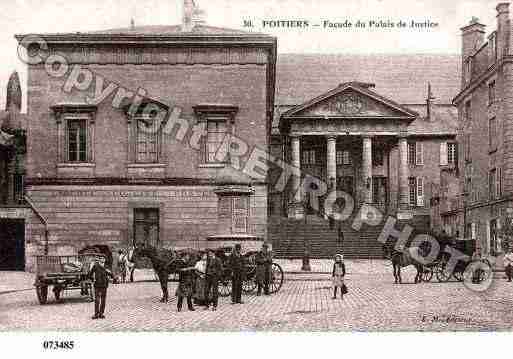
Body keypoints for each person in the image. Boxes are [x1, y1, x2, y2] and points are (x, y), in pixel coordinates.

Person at [88, 255, 114, 319]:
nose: (103, 260)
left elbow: (112, 275)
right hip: (97, 285)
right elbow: (89, 274)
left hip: (104, 285)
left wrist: (110, 274)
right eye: (101, 259)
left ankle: (101, 313)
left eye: (104, 259)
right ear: (99, 259)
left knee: (103, 300)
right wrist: (93, 279)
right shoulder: (95, 266)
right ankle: (96, 314)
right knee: (97, 300)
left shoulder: (106, 267)